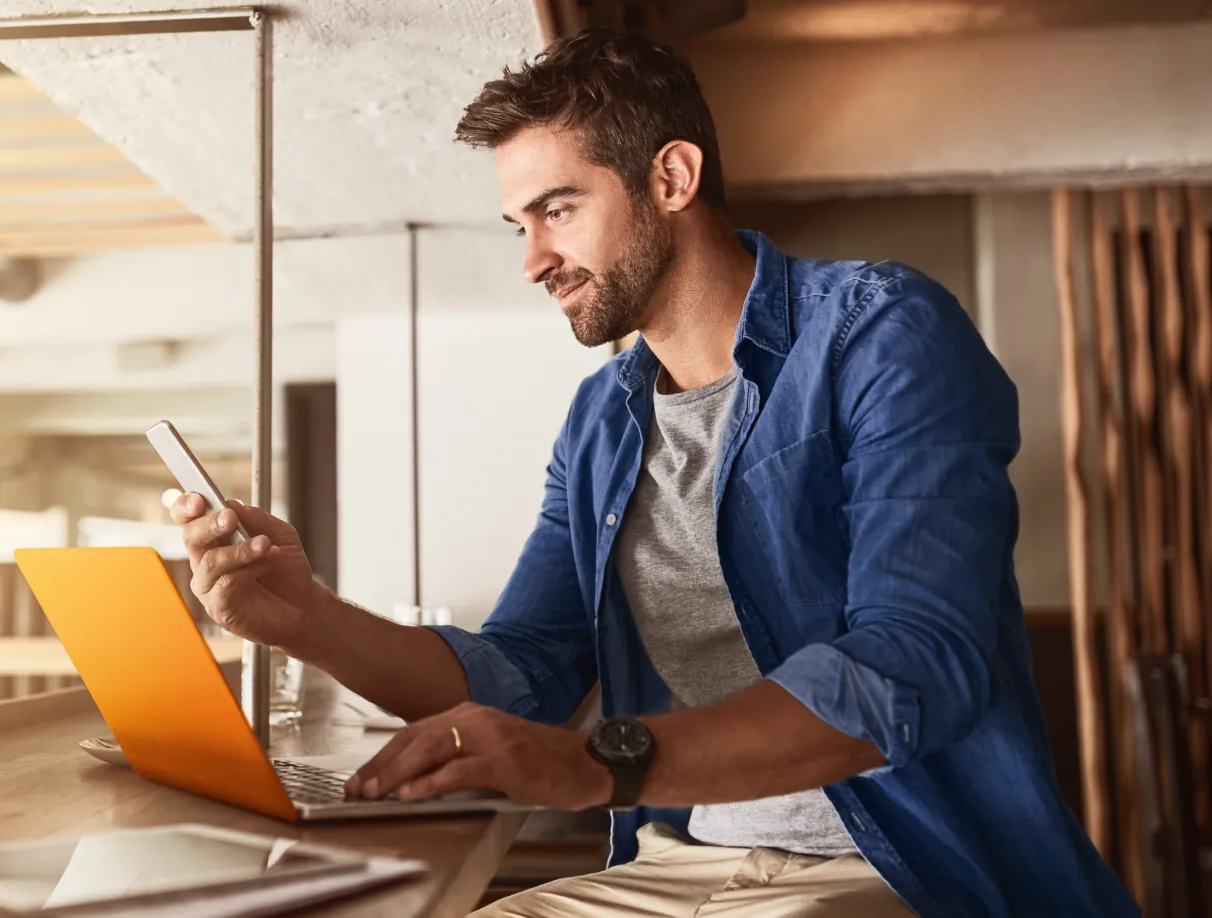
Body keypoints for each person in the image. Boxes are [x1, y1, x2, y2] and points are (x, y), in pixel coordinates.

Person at [172, 26, 1136, 918]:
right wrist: (307, 619)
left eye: (557, 209)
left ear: (671, 176)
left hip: (893, 867)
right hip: (678, 858)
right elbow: (528, 675)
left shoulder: (879, 332)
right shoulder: (601, 419)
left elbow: (917, 660)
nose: (534, 260)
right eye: (519, 224)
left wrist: (602, 763)